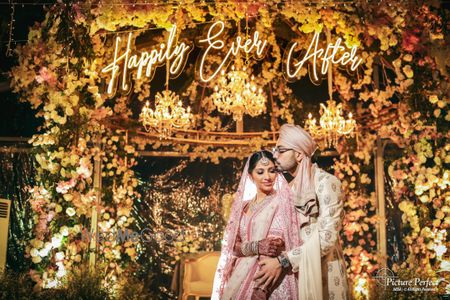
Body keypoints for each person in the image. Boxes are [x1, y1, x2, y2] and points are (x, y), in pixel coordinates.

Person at [253, 124, 349, 300]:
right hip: (294, 277)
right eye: (275, 150)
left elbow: (327, 238)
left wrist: (283, 261)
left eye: (281, 150)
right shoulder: (286, 189)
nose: (275, 156)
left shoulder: (327, 182)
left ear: (298, 154)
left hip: (324, 275)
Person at [212, 150, 301, 299]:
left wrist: (261, 289)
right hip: (241, 274)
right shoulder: (242, 207)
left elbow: (273, 246)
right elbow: (232, 246)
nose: (267, 177)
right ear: (250, 176)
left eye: (272, 171)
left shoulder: (282, 202)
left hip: (271, 277)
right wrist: (256, 246)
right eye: (260, 172)